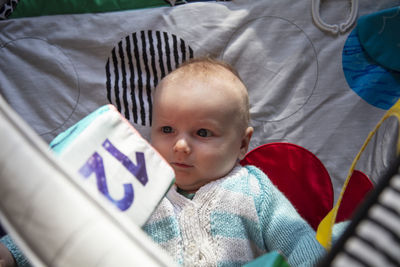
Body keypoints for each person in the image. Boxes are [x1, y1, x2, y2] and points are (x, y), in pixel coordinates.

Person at [142, 57, 327, 266]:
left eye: (202, 132)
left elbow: (300, 243)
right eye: (167, 130)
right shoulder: (142, 190)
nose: (180, 146)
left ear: (242, 145)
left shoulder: (254, 190)